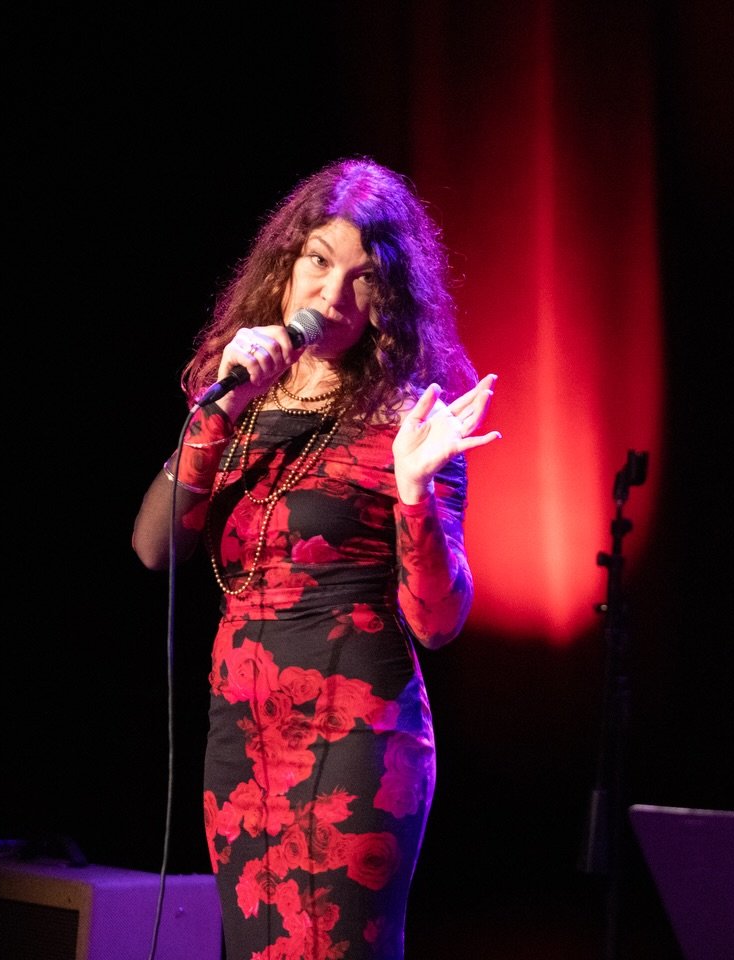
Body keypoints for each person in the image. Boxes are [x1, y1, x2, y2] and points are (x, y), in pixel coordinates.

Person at [132, 156, 501, 960]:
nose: (332, 297)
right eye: (318, 263)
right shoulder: (236, 383)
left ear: (391, 295)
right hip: (241, 731)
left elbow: (438, 623)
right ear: (286, 263)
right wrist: (224, 402)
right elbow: (157, 548)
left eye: (364, 278)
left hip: (358, 733)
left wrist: (412, 491)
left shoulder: (415, 405)